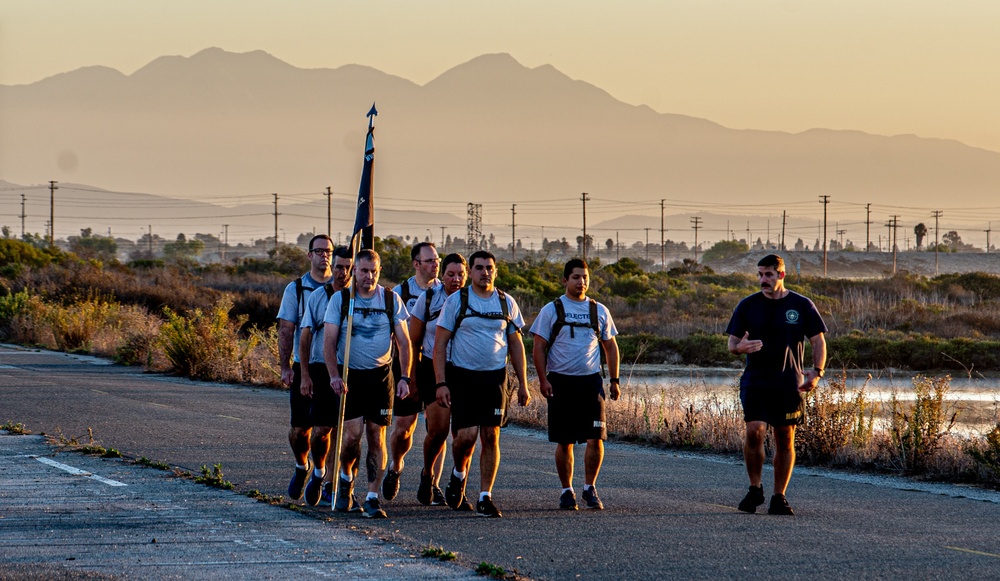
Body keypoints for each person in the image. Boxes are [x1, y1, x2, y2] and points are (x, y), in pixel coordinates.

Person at [726, 254, 827, 516]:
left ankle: (778, 497)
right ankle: (754, 488)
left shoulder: (801, 304)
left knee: (785, 437)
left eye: (768, 274)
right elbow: (732, 344)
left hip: (788, 383)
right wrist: (741, 348)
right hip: (756, 381)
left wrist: (816, 373)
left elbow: (818, 341)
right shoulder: (747, 305)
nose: (763, 280)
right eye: (760, 274)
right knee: (755, 430)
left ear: (781, 275)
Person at [434, 250, 530, 518]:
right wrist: (441, 383)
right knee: (465, 438)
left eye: (489, 268)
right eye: (479, 268)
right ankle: (458, 473)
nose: (484, 272)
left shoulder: (506, 302)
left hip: (495, 379)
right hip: (463, 377)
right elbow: (440, 344)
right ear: (471, 272)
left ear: (495, 272)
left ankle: (485, 496)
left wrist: (523, 383)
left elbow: (516, 345)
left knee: (491, 435)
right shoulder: (456, 301)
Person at [322, 249, 411, 519]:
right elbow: (329, 341)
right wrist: (334, 376)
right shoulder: (341, 300)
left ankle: (372, 497)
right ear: (354, 272)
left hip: (381, 377)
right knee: (351, 436)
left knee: (376, 436)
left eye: (373, 271)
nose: (368, 276)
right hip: (351, 377)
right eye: (363, 271)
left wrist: (405, 377)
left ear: (379, 271)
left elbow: (405, 342)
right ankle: (346, 481)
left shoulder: (390, 300)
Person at [530, 258, 621, 511]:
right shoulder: (552, 309)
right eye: (576, 277)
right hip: (561, 382)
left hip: (591, 383)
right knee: (565, 441)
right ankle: (567, 490)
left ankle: (589, 488)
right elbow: (538, 347)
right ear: (565, 280)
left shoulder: (599, 310)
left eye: (585, 278)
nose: (581, 282)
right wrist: (542, 379)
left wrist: (614, 380)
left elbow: (610, 346)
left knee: (596, 438)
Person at [382, 242, 444, 502]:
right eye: (429, 260)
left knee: (438, 427)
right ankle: (396, 467)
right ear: (416, 264)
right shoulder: (400, 293)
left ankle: (432, 481)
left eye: (437, 259)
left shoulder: (447, 292)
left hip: (434, 363)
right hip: (405, 365)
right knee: (404, 427)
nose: (435, 264)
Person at [407, 253, 467, 506]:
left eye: (460, 274)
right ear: (442, 275)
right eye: (450, 274)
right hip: (432, 367)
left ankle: (458, 485)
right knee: (439, 431)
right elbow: (413, 340)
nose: (455, 279)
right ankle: (428, 473)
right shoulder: (429, 298)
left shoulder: (475, 299)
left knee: (465, 435)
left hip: (466, 370)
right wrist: (410, 377)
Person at [277, 234, 334, 502]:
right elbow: (286, 329)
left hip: (331, 368)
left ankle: (322, 476)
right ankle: (302, 467)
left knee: (325, 428)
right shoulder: (297, 289)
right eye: (319, 251)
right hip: (304, 366)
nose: (325, 255)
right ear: (309, 255)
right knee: (300, 430)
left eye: (329, 251)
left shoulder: (343, 289)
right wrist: (286, 367)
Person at [298, 245, 353, 507]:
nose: (343, 272)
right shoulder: (319, 297)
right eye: (339, 267)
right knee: (321, 431)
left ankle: (337, 484)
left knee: (348, 433)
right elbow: (305, 337)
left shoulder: (362, 297)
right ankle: (318, 473)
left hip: (354, 370)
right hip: (322, 369)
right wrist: (304, 374)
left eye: (348, 268)